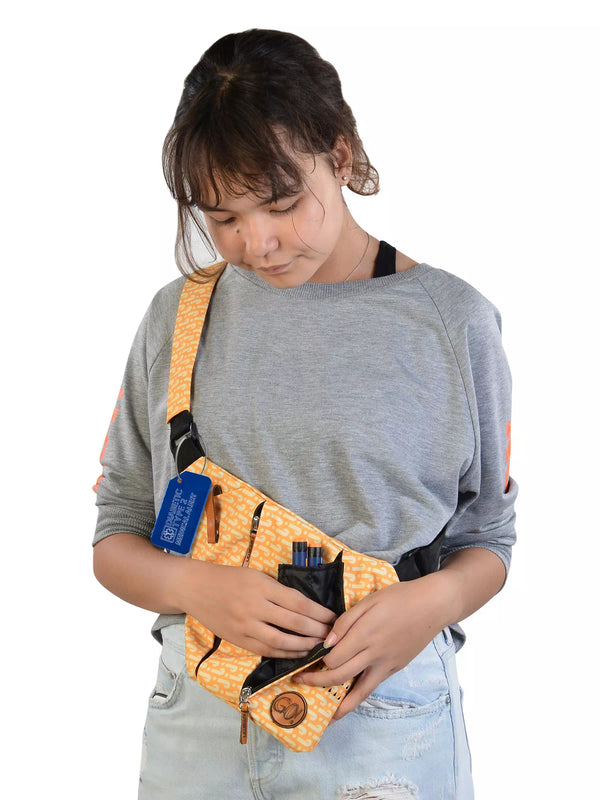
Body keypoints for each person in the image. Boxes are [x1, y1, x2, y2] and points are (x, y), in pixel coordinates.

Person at [92, 28, 517, 800]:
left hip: (381, 716)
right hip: (199, 721)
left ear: (342, 157)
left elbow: (488, 537)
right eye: (222, 218)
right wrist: (198, 589)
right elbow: (116, 532)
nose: (257, 243)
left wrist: (430, 603)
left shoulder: (452, 323)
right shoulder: (178, 317)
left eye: (283, 203)